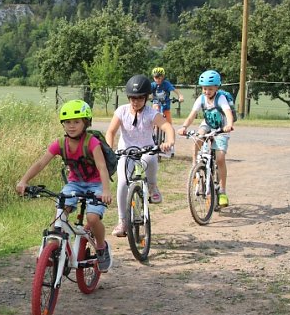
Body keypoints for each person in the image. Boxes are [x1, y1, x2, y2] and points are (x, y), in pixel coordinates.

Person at [15, 100, 114, 272]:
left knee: (92, 218)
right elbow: (40, 163)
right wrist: (24, 180)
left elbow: (102, 167)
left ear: (86, 123)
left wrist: (105, 190)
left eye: (77, 122)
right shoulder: (60, 144)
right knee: (60, 213)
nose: (72, 126)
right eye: (67, 122)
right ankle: (53, 248)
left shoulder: (92, 143)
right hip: (74, 183)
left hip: (96, 184)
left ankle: (101, 247)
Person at [105, 74, 176, 237]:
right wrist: (110, 148)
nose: (135, 102)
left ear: (146, 98)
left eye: (139, 98)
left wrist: (169, 141)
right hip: (126, 152)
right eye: (132, 98)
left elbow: (167, 127)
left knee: (151, 158)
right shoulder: (121, 111)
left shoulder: (151, 113)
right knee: (122, 182)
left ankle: (152, 186)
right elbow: (111, 131)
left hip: (146, 150)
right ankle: (122, 221)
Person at [178, 69, 235, 207]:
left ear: (216, 88)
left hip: (221, 127)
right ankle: (195, 168)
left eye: (210, 89)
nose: (206, 91)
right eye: (204, 88)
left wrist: (229, 124)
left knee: (220, 158)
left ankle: (222, 191)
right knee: (198, 138)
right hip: (208, 124)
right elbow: (192, 115)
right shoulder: (201, 99)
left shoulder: (220, 98)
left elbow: (228, 113)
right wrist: (184, 127)